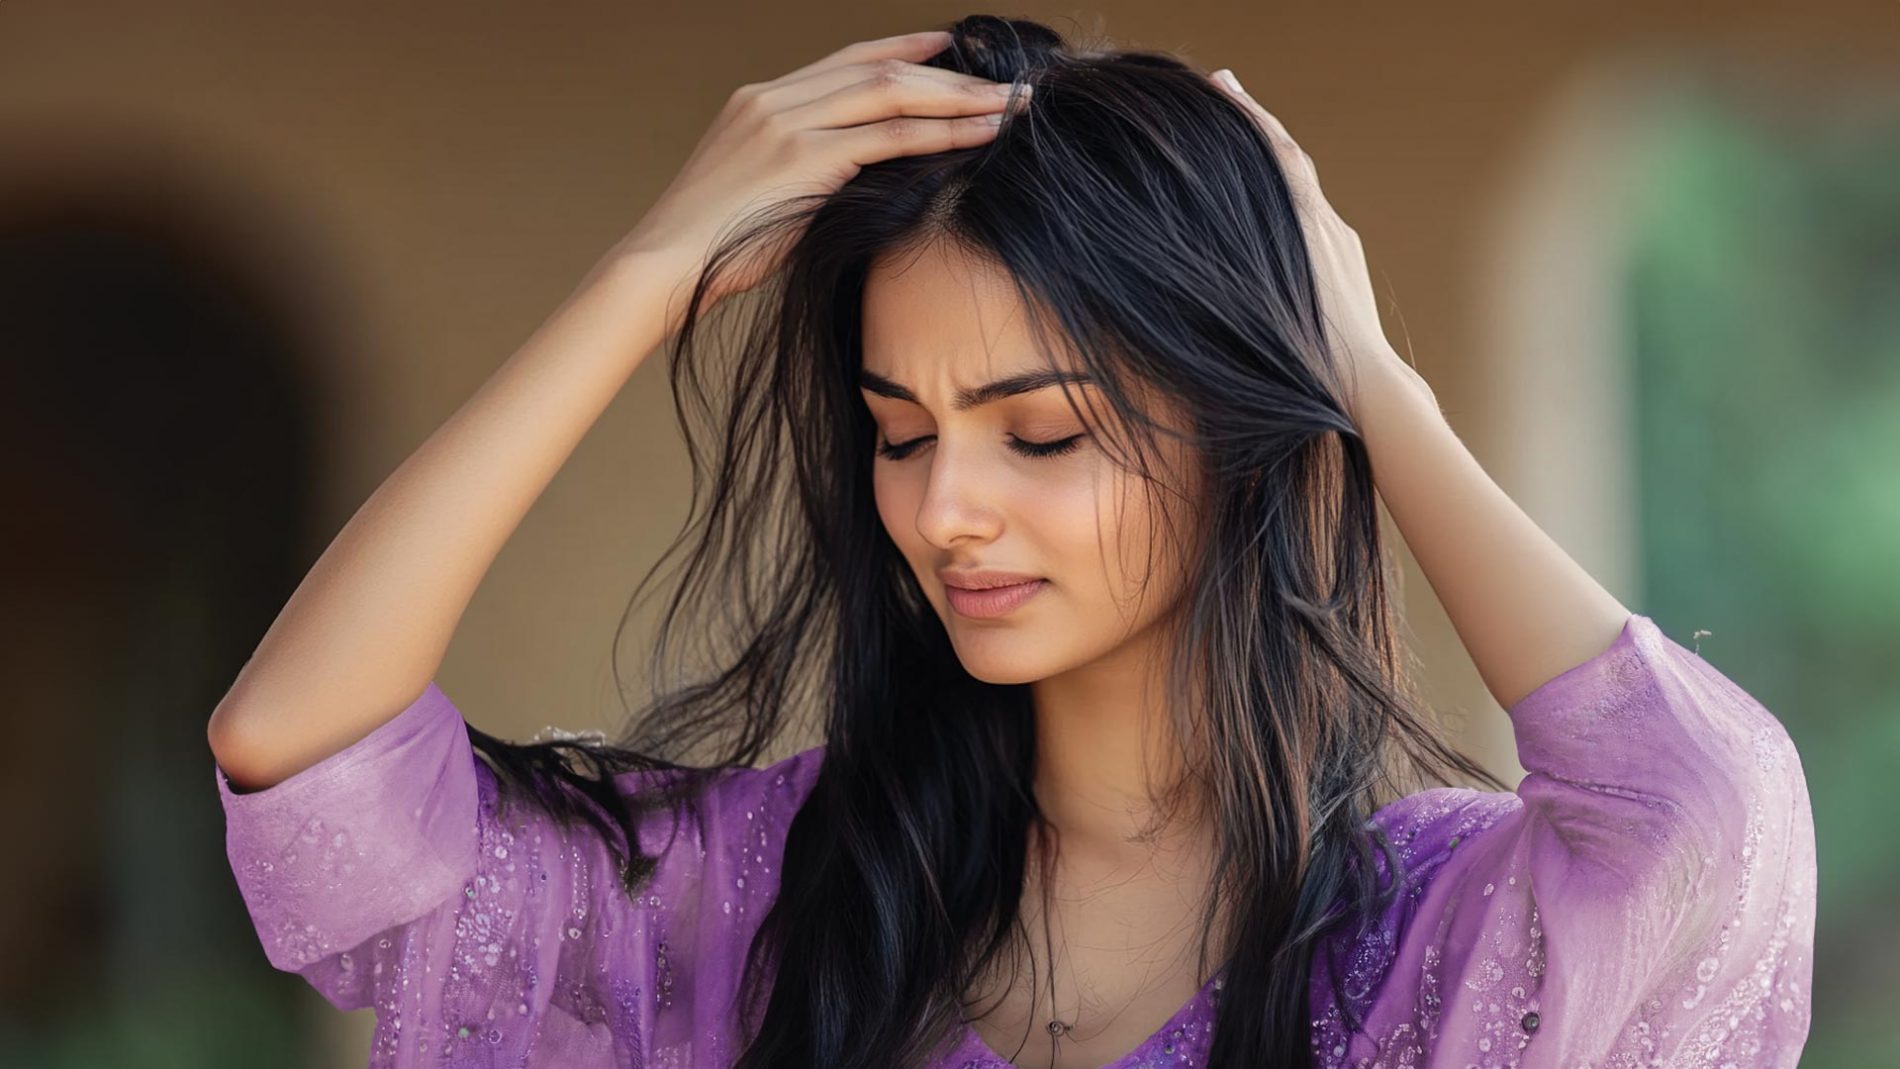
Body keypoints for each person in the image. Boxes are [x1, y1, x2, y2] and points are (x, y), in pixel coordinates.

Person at [206, 15, 1815, 1069]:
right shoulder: (763, 896)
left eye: (1039, 433)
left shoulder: (1427, 942)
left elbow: (1709, 819)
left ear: (1244, 433)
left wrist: (1367, 379)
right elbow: (307, 754)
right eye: (900, 432)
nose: (943, 506)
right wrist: (650, 270)